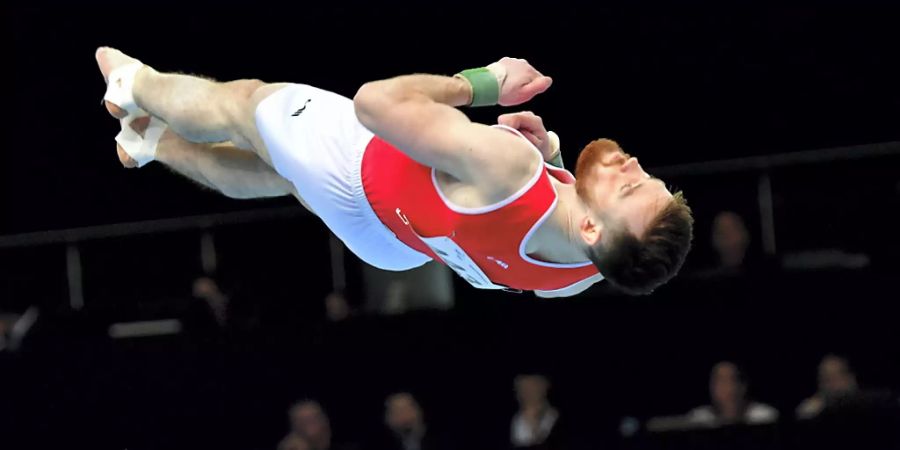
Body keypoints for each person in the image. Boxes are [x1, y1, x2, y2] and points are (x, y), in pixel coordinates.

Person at [95, 48, 693, 296]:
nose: (633, 166)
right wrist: (555, 166)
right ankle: (154, 147)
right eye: (651, 177)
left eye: (633, 187)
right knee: (283, 176)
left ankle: (134, 86)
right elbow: (502, 267)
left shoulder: (508, 167)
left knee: (244, 106)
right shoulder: (587, 272)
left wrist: (484, 83)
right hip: (394, 244)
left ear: (592, 228)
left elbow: (373, 104)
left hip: (359, 167)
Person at [686, 361, 779, 426]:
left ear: (744, 386)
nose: (728, 388)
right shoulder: (699, 420)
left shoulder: (764, 417)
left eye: (733, 380)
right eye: (721, 381)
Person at [796, 354, 859, 419]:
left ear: (851, 378)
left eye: (838, 376)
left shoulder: (866, 405)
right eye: (826, 379)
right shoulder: (816, 410)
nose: (833, 383)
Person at [510, 374, 561, 448]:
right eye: (522, 389)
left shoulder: (553, 416)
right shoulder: (517, 419)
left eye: (531, 388)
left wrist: (533, 421)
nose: (526, 393)